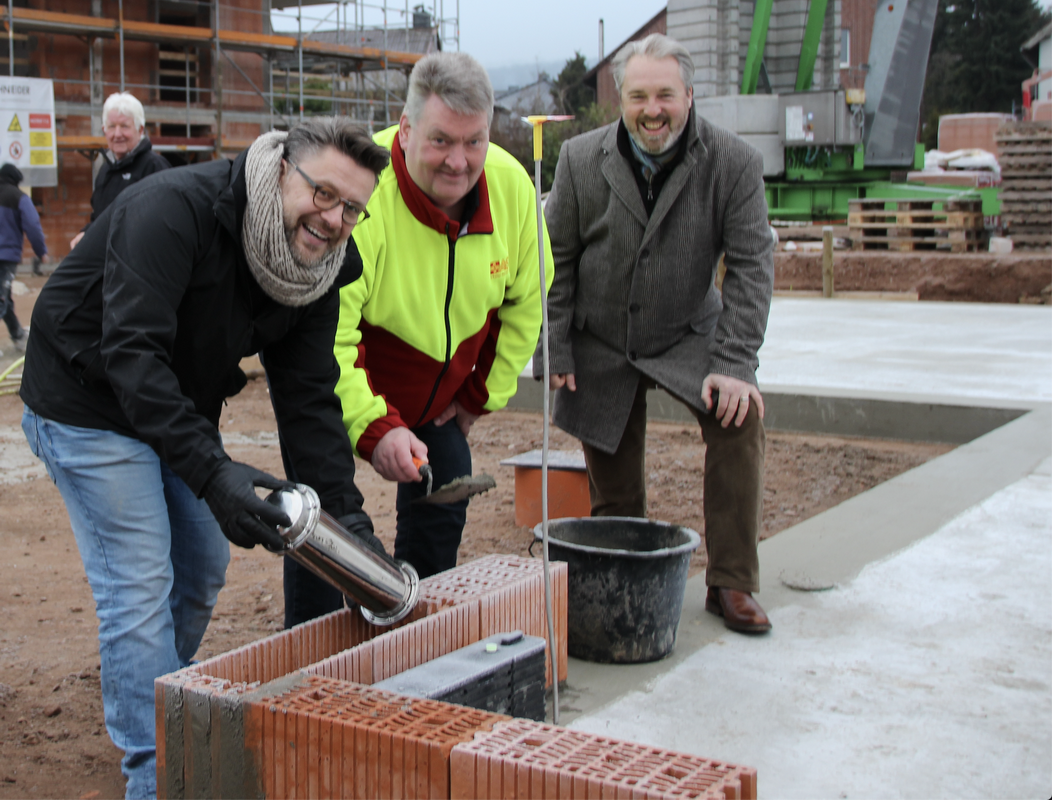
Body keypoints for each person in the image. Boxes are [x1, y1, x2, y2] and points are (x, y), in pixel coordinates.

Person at [19, 117, 389, 799]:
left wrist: (351, 531)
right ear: (283, 169)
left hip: (171, 399)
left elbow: (309, 406)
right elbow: (131, 354)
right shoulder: (172, 211)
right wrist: (214, 473)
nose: (334, 219)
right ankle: (155, 773)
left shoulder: (316, 272)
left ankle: (154, 700)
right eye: (323, 193)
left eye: (353, 209)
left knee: (201, 566)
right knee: (137, 584)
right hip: (85, 391)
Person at [282, 52, 553, 626]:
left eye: (474, 142)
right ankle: (310, 645)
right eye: (440, 141)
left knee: (445, 490)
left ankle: (414, 627)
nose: (459, 162)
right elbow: (327, 339)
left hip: (440, 398)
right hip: (355, 377)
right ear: (405, 132)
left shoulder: (511, 189)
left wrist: (480, 395)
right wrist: (376, 427)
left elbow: (528, 299)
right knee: (322, 516)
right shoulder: (364, 197)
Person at [536, 33, 776, 634]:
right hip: (603, 337)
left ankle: (731, 581)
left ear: (689, 96)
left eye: (665, 95)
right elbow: (555, 258)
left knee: (739, 419)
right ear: (621, 98)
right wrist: (556, 344)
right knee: (612, 472)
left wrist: (736, 362)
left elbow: (751, 264)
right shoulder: (579, 160)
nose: (652, 109)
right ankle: (623, 572)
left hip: (686, 331)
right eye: (638, 95)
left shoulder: (734, 163)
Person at [69, 91, 169, 249]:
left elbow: (164, 222)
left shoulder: (154, 167)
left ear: (140, 130)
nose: (117, 134)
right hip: (109, 262)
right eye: (111, 126)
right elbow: (101, 218)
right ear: (104, 130)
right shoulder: (105, 170)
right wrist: (87, 233)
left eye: (124, 126)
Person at [0, 163, 47, 354]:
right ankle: (18, 337)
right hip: (6, 257)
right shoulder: (19, 197)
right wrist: (40, 251)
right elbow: (33, 226)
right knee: (2, 297)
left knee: (4, 297)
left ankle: (18, 335)